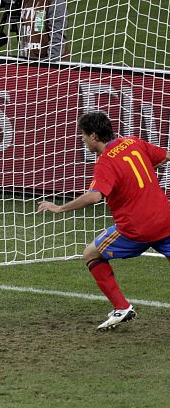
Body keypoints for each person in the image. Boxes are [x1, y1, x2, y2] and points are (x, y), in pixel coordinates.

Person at [38, 111, 170, 330]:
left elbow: (94, 196)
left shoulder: (106, 162)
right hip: (165, 220)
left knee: (91, 253)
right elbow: (165, 156)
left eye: (83, 135)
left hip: (136, 229)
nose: (81, 139)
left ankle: (122, 307)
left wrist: (60, 207)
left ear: (94, 137)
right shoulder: (133, 142)